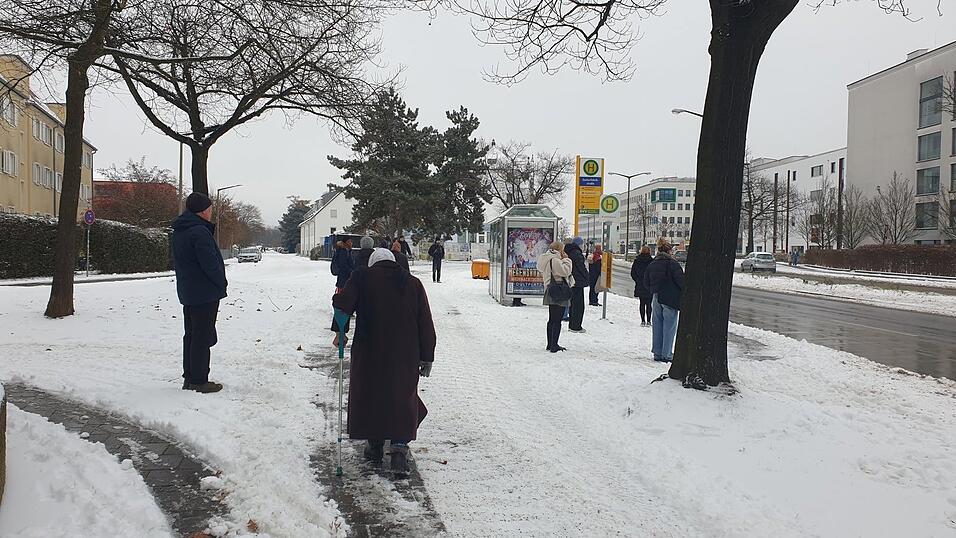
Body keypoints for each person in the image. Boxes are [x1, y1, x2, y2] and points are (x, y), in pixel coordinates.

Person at [332, 248, 436, 477]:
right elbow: (425, 321)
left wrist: (340, 331)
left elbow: (342, 304)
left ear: (372, 264)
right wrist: (427, 355)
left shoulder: (362, 277)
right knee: (402, 396)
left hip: (370, 350)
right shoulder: (413, 283)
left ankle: (375, 446)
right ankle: (398, 450)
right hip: (404, 353)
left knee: (372, 394)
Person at [172, 192, 227, 394]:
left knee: (192, 335)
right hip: (205, 293)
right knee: (202, 337)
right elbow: (210, 264)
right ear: (202, 211)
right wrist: (221, 282)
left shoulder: (181, 230)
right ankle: (199, 380)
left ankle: (190, 377)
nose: (211, 212)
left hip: (189, 292)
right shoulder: (199, 232)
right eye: (210, 209)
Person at [644, 238, 685, 362]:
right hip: (670, 298)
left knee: (657, 325)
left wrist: (653, 289)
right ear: (669, 251)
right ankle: (666, 354)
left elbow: (646, 282)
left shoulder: (653, 263)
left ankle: (657, 352)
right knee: (669, 327)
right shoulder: (673, 264)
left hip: (656, 297)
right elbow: (681, 281)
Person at [537, 241, 573, 353]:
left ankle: (550, 343)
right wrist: (567, 260)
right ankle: (554, 345)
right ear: (559, 250)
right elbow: (565, 271)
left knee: (551, 319)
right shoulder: (555, 260)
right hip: (559, 290)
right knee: (557, 320)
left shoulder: (545, 258)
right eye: (562, 249)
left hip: (550, 289)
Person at [564, 237, 588, 333]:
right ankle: (576, 326)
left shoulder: (568, 252)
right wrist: (587, 277)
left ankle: (572, 324)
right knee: (579, 305)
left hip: (571, 280)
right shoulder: (577, 253)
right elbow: (581, 267)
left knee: (573, 304)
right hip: (578, 281)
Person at [630, 246, 654, 327]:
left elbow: (633, 273)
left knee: (642, 303)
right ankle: (649, 321)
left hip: (640, 284)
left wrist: (637, 280)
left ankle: (643, 320)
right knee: (649, 304)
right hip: (649, 285)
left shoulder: (637, 261)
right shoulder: (651, 261)